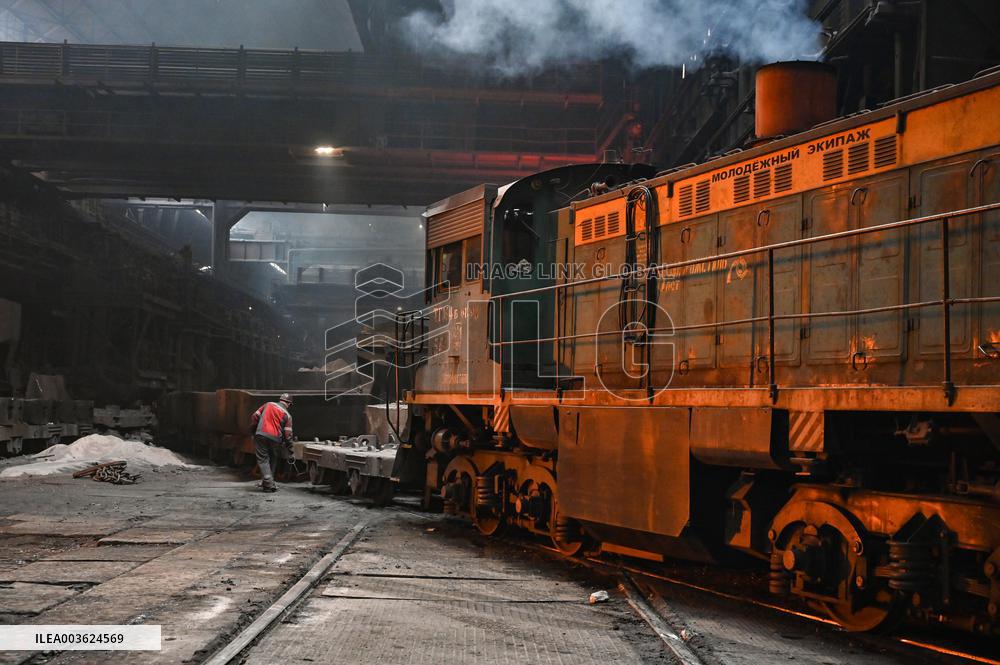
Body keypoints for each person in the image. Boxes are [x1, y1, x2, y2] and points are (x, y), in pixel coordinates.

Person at [250, 393, 294, 492]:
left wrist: (254, 430)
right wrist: (290, 449)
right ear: (289, 404)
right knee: (273, 458)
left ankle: (268, 483)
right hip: (275, 439)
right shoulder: (288, 415)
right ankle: (269, 483)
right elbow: (288, 435)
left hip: (261, 435)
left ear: (280, 400)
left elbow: (254, 416)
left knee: (263, 459)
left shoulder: (268, 404)